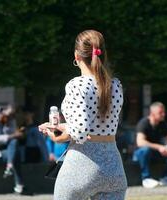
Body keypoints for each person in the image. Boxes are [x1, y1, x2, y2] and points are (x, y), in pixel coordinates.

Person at [39, 30, 127, 200]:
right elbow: (97, 126)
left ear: (76, 56)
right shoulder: (116, 85)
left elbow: (79, 131)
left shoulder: (77, 85)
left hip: (82, 165)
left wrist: (57, 136)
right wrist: (63, 126)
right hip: (113, 167)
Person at [133, 102, 167, 188]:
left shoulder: (163, 124)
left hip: (156, 153)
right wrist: (160, 147)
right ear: (152, 113)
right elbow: (140, 142)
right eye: (160, 112)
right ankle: (146, 179)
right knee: (145, 149)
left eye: (164, 112)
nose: (163, 114)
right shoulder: (143, 123)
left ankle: (166, 177)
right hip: (141, 154)